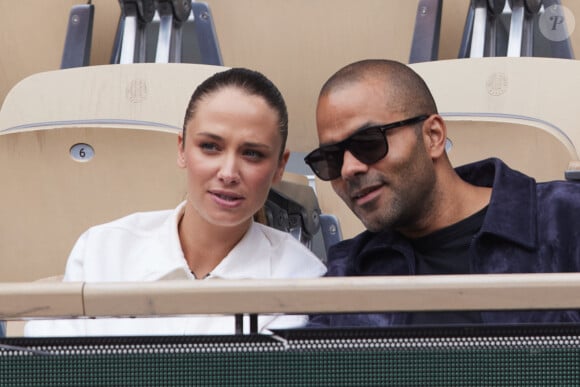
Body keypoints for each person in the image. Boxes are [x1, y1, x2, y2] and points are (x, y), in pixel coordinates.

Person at [25, 67, 326, 337]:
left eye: (252, 154)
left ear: (280, 166)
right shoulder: (102, 250)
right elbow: (45, 367)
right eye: (210, 146)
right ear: (182, 148)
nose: (228, 173)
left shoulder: (298, 275)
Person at [304, 59, 580, 327]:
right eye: (330, 159)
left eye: (368, 143)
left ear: (433, 136)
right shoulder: (348, 272)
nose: (349, 168)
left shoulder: (565, 218)